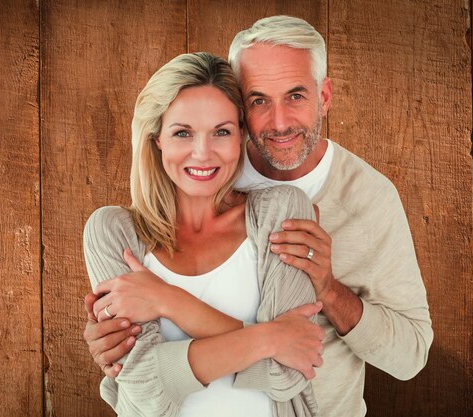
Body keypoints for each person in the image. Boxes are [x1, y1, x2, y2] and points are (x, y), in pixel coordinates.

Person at [85, 16, 434, 417]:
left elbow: (407, 358)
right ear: (241, 110)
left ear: (324, 96)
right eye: (259, 100)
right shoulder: (167, 197)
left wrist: (328, 288)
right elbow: (141, 383)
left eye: (296, 96)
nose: (280, 121)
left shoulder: (363, 199)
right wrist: (113, 338)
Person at [83, 51, 326, 417]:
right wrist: (270, 337)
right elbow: (145, 388)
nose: (202, 153)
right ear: (156, 138)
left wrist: (167, 300)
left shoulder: (282, 212)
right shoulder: (113, 232)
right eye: (183, 133)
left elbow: (289, 373)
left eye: (221, 132)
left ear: (241, 135)